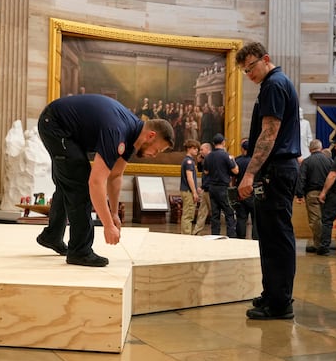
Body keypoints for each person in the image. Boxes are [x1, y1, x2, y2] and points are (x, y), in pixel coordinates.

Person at [36, 94, 174, 267]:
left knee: (68, 182)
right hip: (55, 124)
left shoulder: (132, 136)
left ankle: (52, 236)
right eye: (157, 150)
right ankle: (80, 251)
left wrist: (114, 212)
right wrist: (108, 225)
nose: (154, 155)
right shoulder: (117, 131)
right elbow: (95, 182)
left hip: (63, 126)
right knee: (79, 183)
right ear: (151, 135)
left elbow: (115, 176)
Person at [235, 41, 301, 320]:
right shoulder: (272, 84)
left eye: (251, 68)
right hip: (273, 171)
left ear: (266, 59)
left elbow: (269, 133)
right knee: (268, 236)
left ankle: (280, 302)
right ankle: (272, 293)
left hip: (276, 170)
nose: (248, 75)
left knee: (276, 237)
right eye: (244, 71)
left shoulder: (274, 84)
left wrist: (249, 173)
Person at [295, 139, 332, 253]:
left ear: (310, 149)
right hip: (327, 193)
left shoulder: (307, 161)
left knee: (315, 220)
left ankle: (320, 245)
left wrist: (299, 194)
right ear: (320, 148)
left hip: (312, 194)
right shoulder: (329, 161)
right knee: (325, 219)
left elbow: (302, 178)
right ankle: (324, 243)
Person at [203, 133, 239, 237]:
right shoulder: (226, 156)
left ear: (213, 144)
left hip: (212, 188)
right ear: (223, 142)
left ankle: (215, 235)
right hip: (223, 187)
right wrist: (232, 160)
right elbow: (236, 171)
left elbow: (206, 172)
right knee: (229, 212)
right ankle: (231, 236)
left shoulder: (209, 156)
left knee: (215, 214)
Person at [232, 138, 256, 240]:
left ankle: (240, 238)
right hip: (253, 192)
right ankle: (256, 239)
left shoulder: (237, 160)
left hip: (240, 192)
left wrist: (234, 189)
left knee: (241, 218)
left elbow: (233, 177)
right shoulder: (255, 161)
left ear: (242, 149)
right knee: (256, 219)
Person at [179, 139, 201, 235]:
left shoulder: (189, 161)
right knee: (188, 214)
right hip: (188, 191)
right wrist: (194, 192)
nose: (196, 150)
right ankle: (186, 234)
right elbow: (190, 178)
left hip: (187, 190)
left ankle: (186, 233)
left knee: (188, 213)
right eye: (194, 148)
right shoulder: (189, 162)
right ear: (188, 149)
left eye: (197, 148)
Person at [193, 142, 212, 235]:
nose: (200, 152)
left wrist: (202, 186)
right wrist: (199, 162)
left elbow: (211, 176)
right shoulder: (205, 159)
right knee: (202, 212)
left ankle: (215, 232)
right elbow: (201, 171)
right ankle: (196, 232)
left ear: (208, 149)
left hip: (211, 190)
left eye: (202, 149)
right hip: (205, 190)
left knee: (214, 212)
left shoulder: (212, 159)